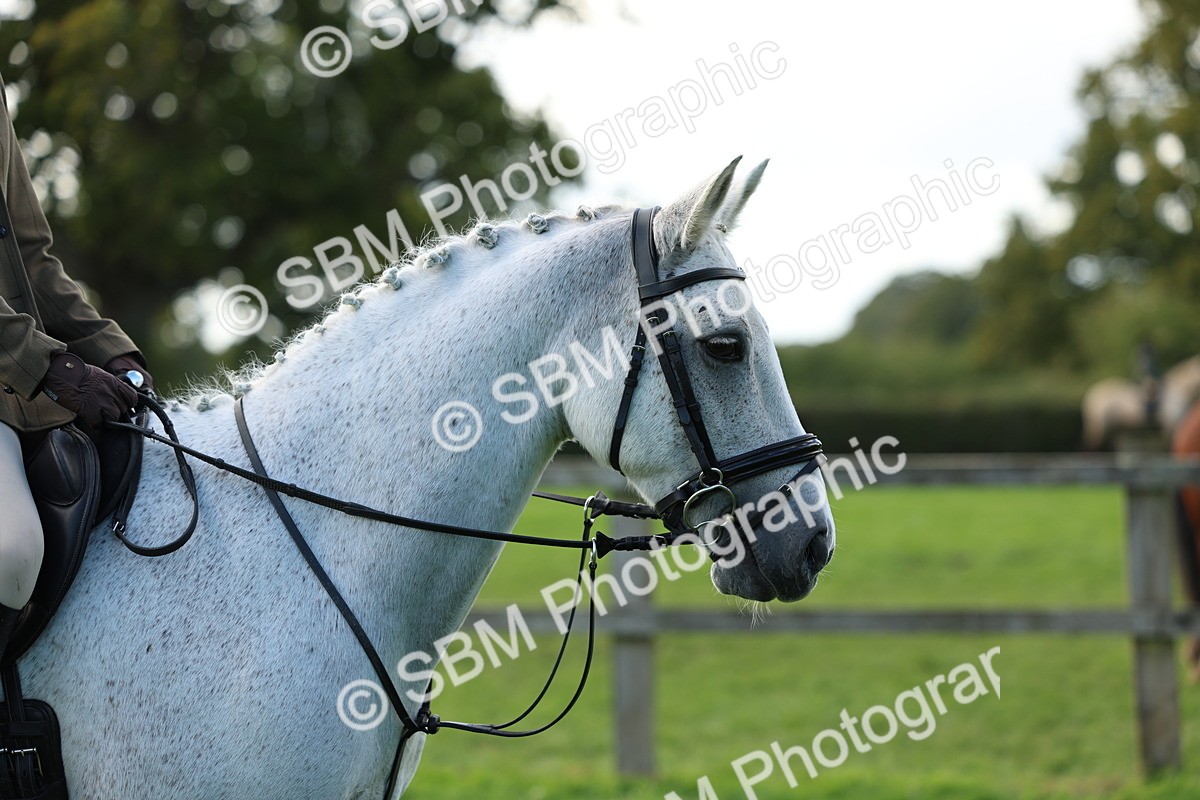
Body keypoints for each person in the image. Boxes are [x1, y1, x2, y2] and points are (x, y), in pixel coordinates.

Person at [0, 72, 153, 661]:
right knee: (12, 551)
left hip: (19, 389)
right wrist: (54, 369)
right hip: (22, 375)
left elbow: (31, 256)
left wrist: (111, 351)